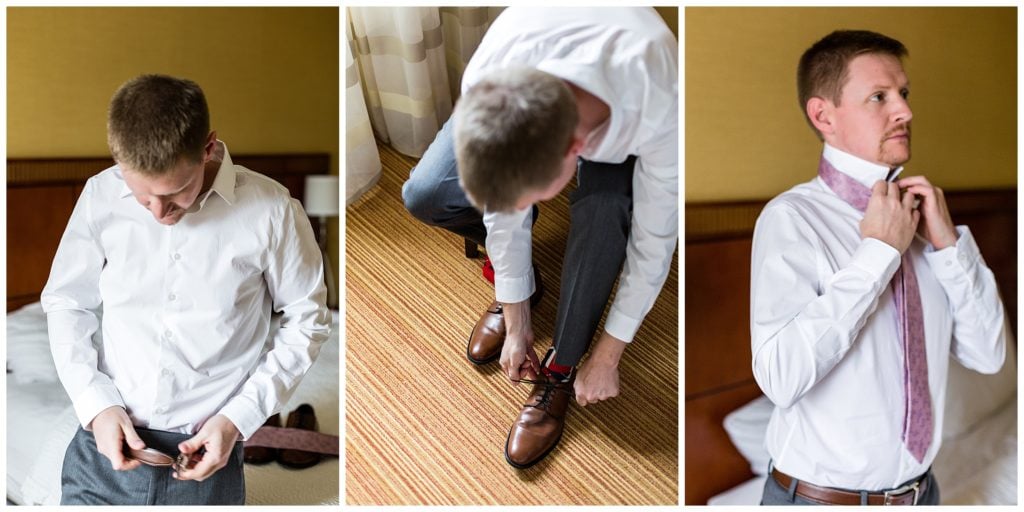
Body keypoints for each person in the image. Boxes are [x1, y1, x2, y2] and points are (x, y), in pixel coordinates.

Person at [402, 7, 677, 469]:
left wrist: (608, 357)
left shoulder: (662, 104)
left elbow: (653, 243)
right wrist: (516, 317)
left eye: (530, 199)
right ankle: (525, 288)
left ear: (577, 150)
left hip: (629, 112)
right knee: (425, 194)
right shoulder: (489, 73)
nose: (518, 209)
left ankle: (562, 366)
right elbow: (501, 205)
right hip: (538, 71)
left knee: (605, 209)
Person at [41, 74, 331, 505]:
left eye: (176, 193)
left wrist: (240, 417)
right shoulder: (100, 195)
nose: (160, 213)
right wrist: (95, 404)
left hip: (207, 454)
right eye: (143, 199)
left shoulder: (273, 211)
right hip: (103, 441)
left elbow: (308, 320)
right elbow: (67, 301)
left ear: (208, 148)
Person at [750, 30, 1006, 505]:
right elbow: (780, 377)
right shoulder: (792, 219)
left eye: (903, 93)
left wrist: (950, 247)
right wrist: (879, 253)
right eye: (879, 97)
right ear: (823, 115)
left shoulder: (923, 223)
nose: (905, 111)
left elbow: (989, 356)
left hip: (922, 493)